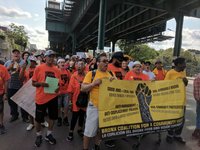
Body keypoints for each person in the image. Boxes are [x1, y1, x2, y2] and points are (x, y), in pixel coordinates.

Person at [81, 54, 115, 150]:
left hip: (106, 107)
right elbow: (83, 88)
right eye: (104, 61)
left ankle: (97, 146)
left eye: (107, 61)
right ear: (98, 63)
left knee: (100, 130)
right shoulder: (91, 74)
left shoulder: (111, 74)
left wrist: (115, 82)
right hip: (94, 107)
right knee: (89, 131)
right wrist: (93, 83)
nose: (106, 63)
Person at [32, 50, 61, 147]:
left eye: (53, 56)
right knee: (39, 119)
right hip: (41, 98)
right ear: (45, 58)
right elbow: (33, 83)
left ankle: (49, 134)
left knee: (52, 117)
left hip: (53, 97)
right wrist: (41, 84)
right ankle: (38, 135)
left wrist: (58, 88)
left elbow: (58, 84)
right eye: (49, 56)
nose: (51, 58)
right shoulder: (39, 68)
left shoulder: (57, 70)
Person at [164, 57, 188, 144]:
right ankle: (170, 135)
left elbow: (185, 85)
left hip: (182, 100)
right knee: (172, 118)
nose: (185, 65)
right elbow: (165, 86)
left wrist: (185, 81)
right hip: (173, 100)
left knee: (182, 118)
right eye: (184, 63)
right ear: (178, 64)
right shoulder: (170, 73)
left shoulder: (183, 72)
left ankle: (178, 135)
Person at [4, 49, 28, 122]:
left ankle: (24, 117)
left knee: (22, 102)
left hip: (20, 85)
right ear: (12, 54)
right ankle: (14, 115)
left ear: (20, 55)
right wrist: (9, 68)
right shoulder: (8, 62)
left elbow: (25, 74)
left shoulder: (23, 62)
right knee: (11, 102)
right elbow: (3, 72)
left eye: (18, 53)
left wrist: (21, 68)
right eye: (14, 53)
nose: (16, 54)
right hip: (10, 85)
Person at [66, 59, 87, 141]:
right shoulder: (73, 76)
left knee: (82, 116)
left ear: (84, 66)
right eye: (78, 65)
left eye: (82, 64)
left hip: (85, 100)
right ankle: (71, 132)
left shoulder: (87, 75)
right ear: (76, 66)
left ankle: (79, 129)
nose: (80, 66)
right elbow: (70, 91)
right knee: (74, 117)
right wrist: (70, 102)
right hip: (75, 101)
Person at [19, 56, 37, 131]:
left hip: (37, 90)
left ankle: (41, 121)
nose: (31, 62)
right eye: (30, 61)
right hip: (27, 90)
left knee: (39, 107)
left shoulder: (38, 68)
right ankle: (31, 123)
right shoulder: (25, 69)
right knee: (30, 107)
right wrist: (23, 69)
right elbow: (21, 79)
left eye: (33, 61)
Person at [57, 58, 70, 127]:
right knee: (58, 106)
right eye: (61, 62)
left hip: (66, 92)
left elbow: (70, 81)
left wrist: (70, 91)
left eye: (63, 62)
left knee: (66, 106)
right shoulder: (56, 71)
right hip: (58, 93)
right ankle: (59, 118)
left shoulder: (67, 71)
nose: (62, 63)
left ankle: (65, 118)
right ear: (58, 64)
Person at [0, 64, 10, 134]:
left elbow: (6, 81)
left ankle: (1, 124)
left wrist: (6, 93)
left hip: (0, 93)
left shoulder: (3, 68)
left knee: (0, 109)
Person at [193, 74, 200, 143]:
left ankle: (197, 130)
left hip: (199, 101)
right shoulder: (198, 78)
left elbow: (196, 93)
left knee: (198, 117)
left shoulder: (197, 78)